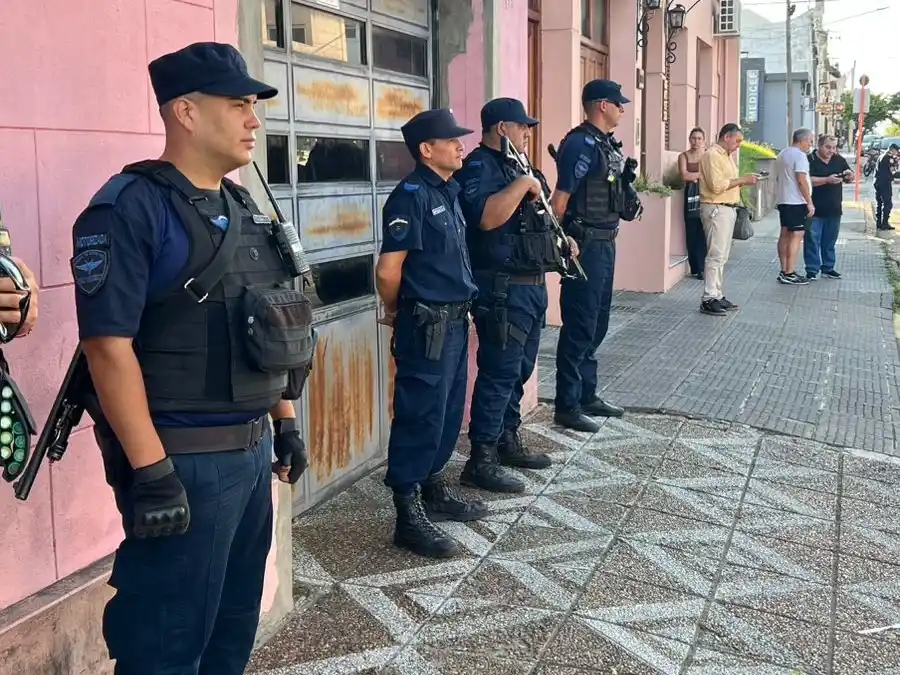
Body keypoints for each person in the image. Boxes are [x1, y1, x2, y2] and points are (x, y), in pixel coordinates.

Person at [70, 42, 314, 675]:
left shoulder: (243, 207)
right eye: (238, 105)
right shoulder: (129, 207)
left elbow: (270, 314)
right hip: (183, 460)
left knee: (233, 626)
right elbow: (106, 345)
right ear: (185, 111)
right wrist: (151, 472)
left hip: (251, 449)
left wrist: (284, 418)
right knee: (167, 641)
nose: (253, 120)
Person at [376, 107, 488, 559]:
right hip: (426, 325)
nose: (461, 145)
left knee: (446, 412)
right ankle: (407, 513)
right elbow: (389, 270)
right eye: (452, 140)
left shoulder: (450, 190)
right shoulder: (411, 196)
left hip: (455, 321)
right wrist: (395, 311)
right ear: (427, 150)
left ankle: (434, 488)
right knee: (420, 413)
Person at [453, 97, 572, 494]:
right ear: (501, 128)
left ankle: (507, 439)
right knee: (499, 372)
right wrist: (522, 185)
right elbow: (487, 218)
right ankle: (481, 458)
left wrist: (562, 241)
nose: (528, 133)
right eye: (522, 127)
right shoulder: (478, 167)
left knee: (519, 371)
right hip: (501, 288)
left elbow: (539, 220)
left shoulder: (523, 165)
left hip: (532, 285)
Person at [551, 79, 642, 433]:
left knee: (598, 322)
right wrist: (560, 246)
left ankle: (587, 394)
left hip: (606, 242)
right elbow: (560, 201)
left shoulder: (606, 144)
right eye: (618, 103)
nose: (622, 108)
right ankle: (567, 404)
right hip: (584, 244)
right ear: (602, 105)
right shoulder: (580, 143)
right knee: (580, 323)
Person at [697, 123, 759, 316]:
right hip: (716, 208)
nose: (739, 145)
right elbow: (716, 186)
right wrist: (742, 180)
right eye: (737, 140)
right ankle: (709, 297)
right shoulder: (712, 155)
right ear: (727, 137)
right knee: (715, 255)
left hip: (727, 208)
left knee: (721, 255)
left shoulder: (726, 156)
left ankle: (716, 293)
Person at [804, 134, 851, 279]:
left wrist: (849, 175)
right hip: (814, 208)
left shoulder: (839, 159)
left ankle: (828, 267)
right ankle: (812, 269)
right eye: (828, 147)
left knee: (830, 241)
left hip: (834, 207)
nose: (831, 150)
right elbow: (805, 180)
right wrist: (827, 180)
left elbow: (849, 174)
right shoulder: (809, 160)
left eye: (834, 147)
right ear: (819, 145)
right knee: (812, 240)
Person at [774, 128, 815, 285]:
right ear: (803, 140)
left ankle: (784, 269)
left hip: (784, 199)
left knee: (784, 233)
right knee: (796, 236)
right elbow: (801, 180)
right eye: (810, 141)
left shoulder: (782, 154)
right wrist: (809, 201)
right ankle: (790, 272)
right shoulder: (800, 156)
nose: (810, 144)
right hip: (796, 201)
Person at [678, 127, 708, 279]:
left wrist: (695, 176)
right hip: (690, 197)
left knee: (703, 232)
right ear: (689, 139)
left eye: (699, 138)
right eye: (693, 138)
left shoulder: (708, 156)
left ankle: (703, 267)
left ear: (704, 140)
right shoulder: (684, 156)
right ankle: (695, 267)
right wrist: (699, 176)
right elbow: (684, 175)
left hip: (706, 196)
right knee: (691, 232)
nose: (696, 141)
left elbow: (711, 175)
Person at [875, 143, 900, 231]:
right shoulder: (888, 159)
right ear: (892, 150)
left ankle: (878, 223)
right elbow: (893, 172)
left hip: (877, 182)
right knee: (888, 203)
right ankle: (885, 223)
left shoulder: (881, 156)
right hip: (885, 183)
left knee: (879, 203)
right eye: (896, 152)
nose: (896, 154)